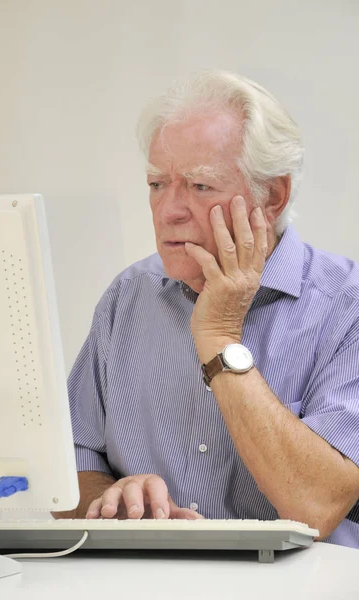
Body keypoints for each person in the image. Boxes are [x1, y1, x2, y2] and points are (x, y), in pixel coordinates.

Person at [55, 70, 359, 548]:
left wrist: (219, 337)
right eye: (157, 184)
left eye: (199, 186)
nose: (169, 210)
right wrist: (113, 499)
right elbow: (66, 465)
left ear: (273, 196)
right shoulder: (128, 295)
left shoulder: (347, 306)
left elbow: (315, 506)